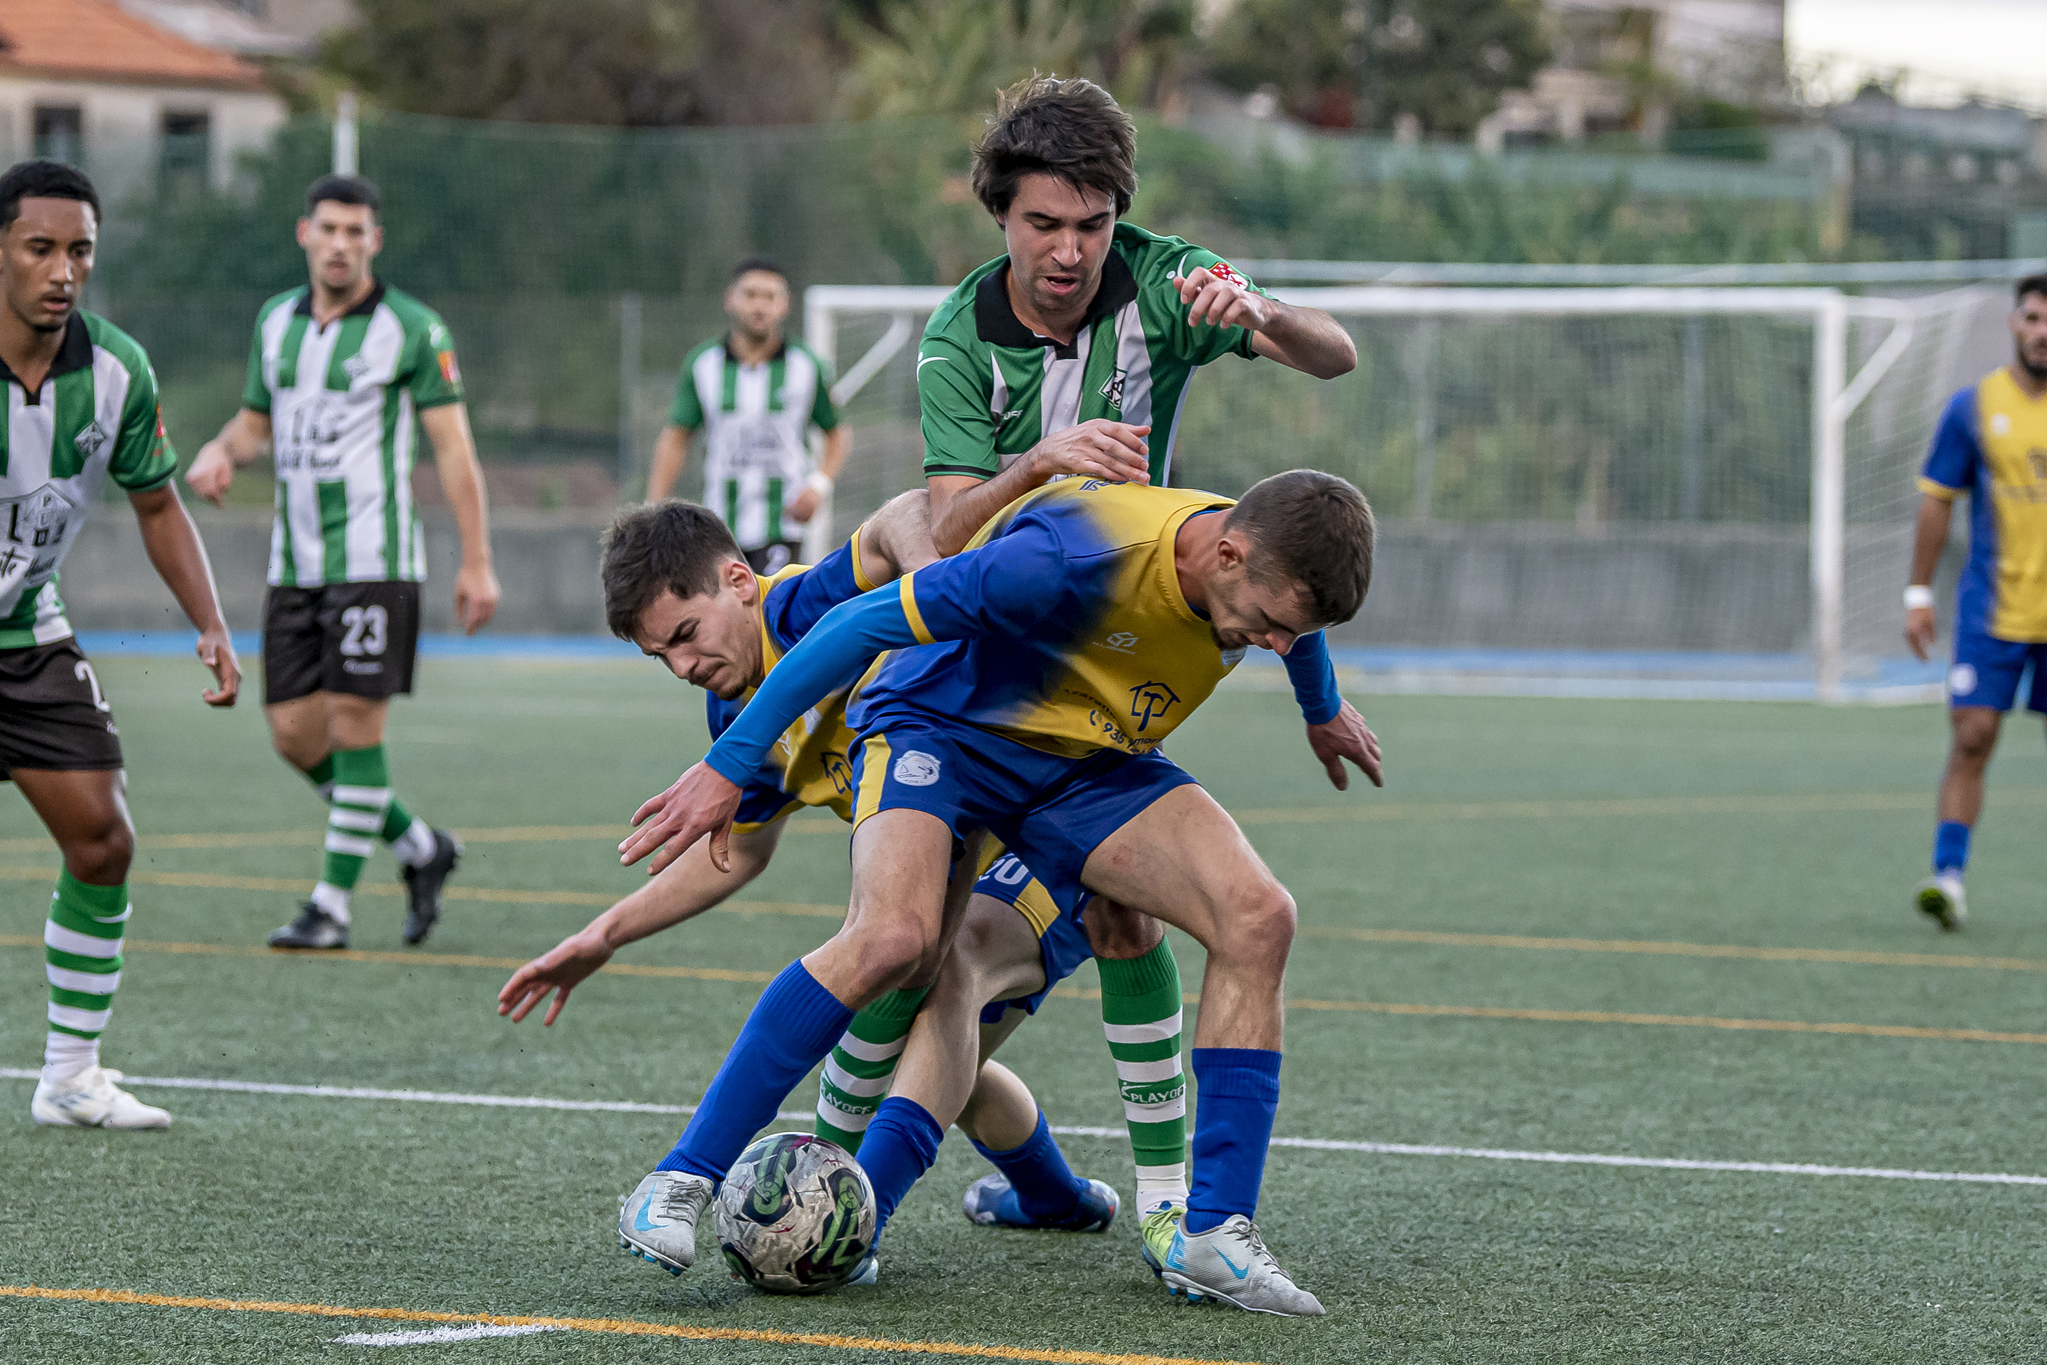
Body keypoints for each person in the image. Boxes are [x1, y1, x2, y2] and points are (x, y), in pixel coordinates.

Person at [619, 470, 1382, 1316]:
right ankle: (683, 1176)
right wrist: (729, 764)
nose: (1275, 644)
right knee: (895, 942)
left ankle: (1212, 1234)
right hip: (937, 727)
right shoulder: (1065, 559)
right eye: (1271, 626)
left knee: (1258, 914)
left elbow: (1291, 610)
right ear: (1226, 553)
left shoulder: (1255, 560)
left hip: (1082, 759)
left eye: (1292, 631)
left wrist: (1319, 704)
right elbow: (859, 620)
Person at [493, 494, 1122, 1275]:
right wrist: (604, 934)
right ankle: (1054, 1197)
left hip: (1038, 832)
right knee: (927, 1025)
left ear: (737, 580)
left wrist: (935, 582)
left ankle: (838, 1221)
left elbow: (904, 512)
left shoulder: (807, 602)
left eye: (686, 635)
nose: (683, 666)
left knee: (936, 966)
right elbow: (739, 852)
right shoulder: (736, 711)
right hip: (957, 846)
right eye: (663, 657)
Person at [186, 174, 501, 951]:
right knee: (294, 734)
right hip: (294, 564)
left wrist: (478, 559)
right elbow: (258, 423)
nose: (340, 244)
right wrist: (223, 450)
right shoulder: (274, 323)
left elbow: (453, 448)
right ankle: (421, 847)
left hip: (375, 560)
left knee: (357, 728)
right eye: (328, 229)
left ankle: (329, 905)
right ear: (304, 233)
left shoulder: (412, 328)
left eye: (356, 232)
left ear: (374, 241)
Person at [0, 160, 241, 1129]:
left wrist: (212, 622)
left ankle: (69, 1078)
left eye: (81, 251)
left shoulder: (117, 373)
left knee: (103, 839)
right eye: (41, 248)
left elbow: (158, 504)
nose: (64, 270)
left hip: (29, 634)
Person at [916, 75, 1356, 557]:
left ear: (1118, 213)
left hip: (1138, 584)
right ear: (1001, 211)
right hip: (1009, 597)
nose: (1069, 252)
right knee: (899, 525)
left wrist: (1269, 314)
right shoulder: (956, 339)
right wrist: (1038, 463)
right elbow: (950, 532)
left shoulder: (1172, 280)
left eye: (1092, 226)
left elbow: (1337, 356)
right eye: (1044, 225)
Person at [1905, 273, 2047, 930]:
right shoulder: (1973, 406)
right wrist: (1916, 592)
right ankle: (1947, 878)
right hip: (1992, 610)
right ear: (2014, 324)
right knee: (1971, 734)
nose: (2042, 332)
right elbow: (1937, 499)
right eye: (2032, 318)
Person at [646, 259, 847, 575]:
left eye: (769, 297)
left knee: (771, 613)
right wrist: (653, 510)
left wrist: (818, 486)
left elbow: (837, 433)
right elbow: (676, 438)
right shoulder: (702, 365)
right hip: (719, 524)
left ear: (784, 305)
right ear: (731, 299)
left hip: (783, 524)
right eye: (750, 294)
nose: (759, 306)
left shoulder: (807, 366)